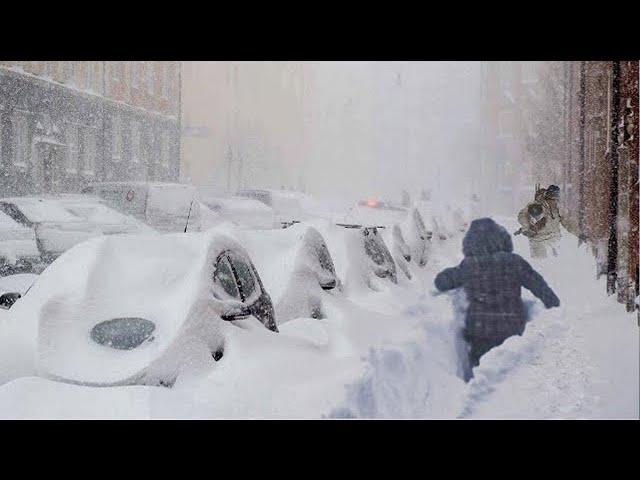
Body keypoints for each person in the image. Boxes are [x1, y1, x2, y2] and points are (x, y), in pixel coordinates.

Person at [434, 218, 560, 381]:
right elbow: (539, 285)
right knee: (512, 375)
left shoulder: (468, 266)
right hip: (511, 328)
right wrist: (554, 305)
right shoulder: (514, 262)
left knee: (480, 371)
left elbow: (441, 282)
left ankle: (476, 390)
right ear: (502, 239)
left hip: (479, 332)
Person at [517, 184, 563, 258]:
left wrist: (579, 233)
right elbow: (522, 216)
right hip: (538, 241)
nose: (554, 202)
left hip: (554, 241)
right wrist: (527, 226)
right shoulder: (536, 205)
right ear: (548, 197)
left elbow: (568, 222)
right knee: (541, 265)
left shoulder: (558, 208)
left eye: (556, 199)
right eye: (552, 199)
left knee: (557, 265)